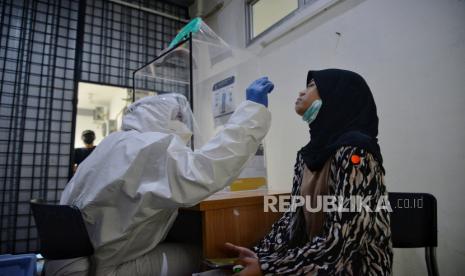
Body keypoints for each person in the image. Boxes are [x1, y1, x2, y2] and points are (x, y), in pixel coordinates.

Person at [44, 77, 274, 275]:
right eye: (179, 118)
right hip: (107, 268)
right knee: (207, 252)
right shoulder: (148, 148)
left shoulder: (114, 143)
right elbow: (207, 170)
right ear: (162, 119)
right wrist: (252, 111)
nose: (183, 125)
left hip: (72, 261)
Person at [226, 69, 392, 275]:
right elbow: (292, 223)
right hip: (317, 260)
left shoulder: (357, 153)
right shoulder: (307, 156)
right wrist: (260, 255)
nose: (302, 92)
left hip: (355, 266)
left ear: (338, 95)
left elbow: (342, 242)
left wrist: (267, 267)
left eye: (313, 85)